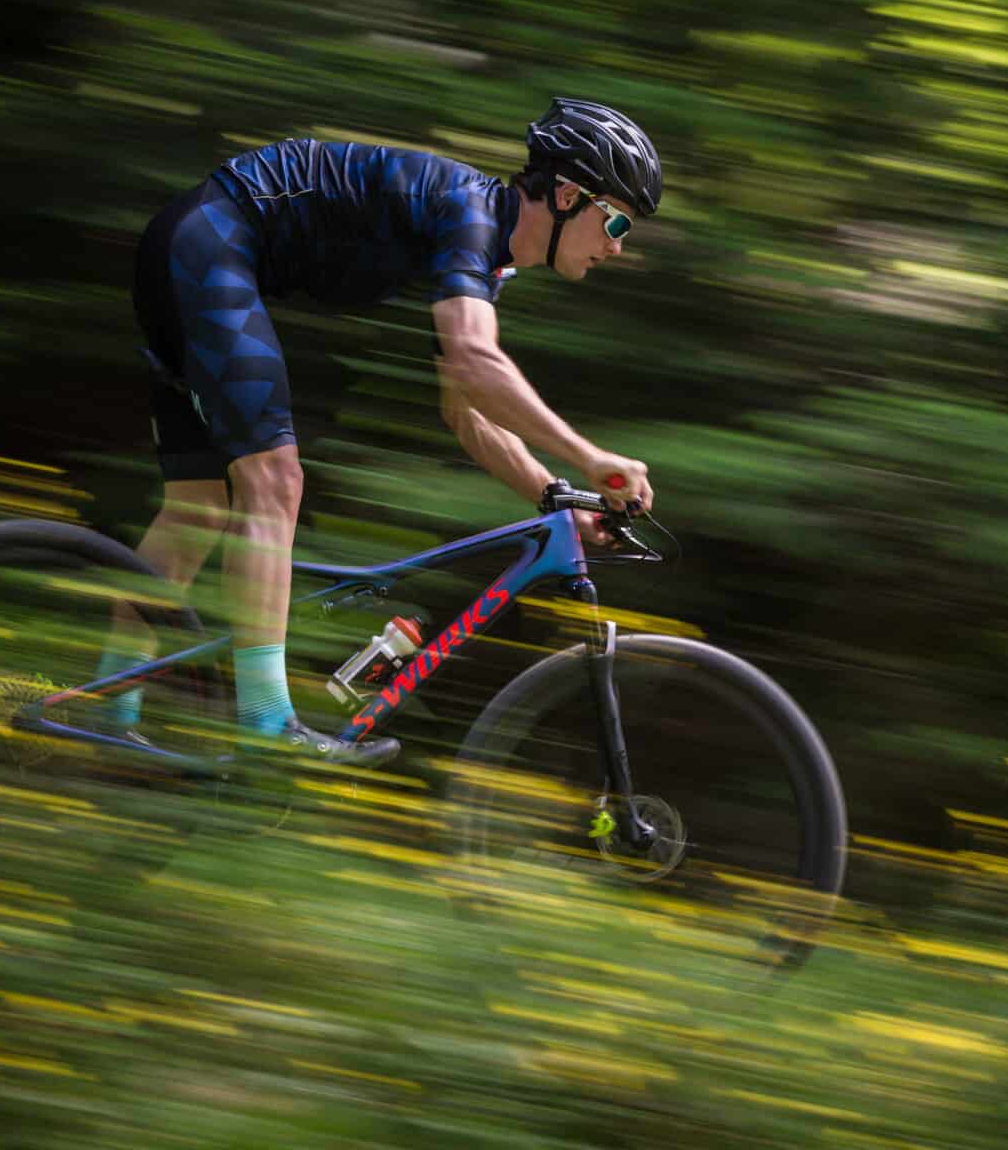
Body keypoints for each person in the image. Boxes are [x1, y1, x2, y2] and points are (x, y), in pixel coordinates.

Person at [104, 98, 660, 766]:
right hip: (210, 244)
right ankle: (265, 726)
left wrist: (553, 493)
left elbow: (466, 411)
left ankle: (108, 714)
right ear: (568, 195)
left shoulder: (483, 255)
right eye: (617, 220)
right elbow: (475, 362)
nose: (617, 245)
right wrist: (594, 458)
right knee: (274, 480)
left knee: (199, 506)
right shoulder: (471, 214)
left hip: (187, 248)